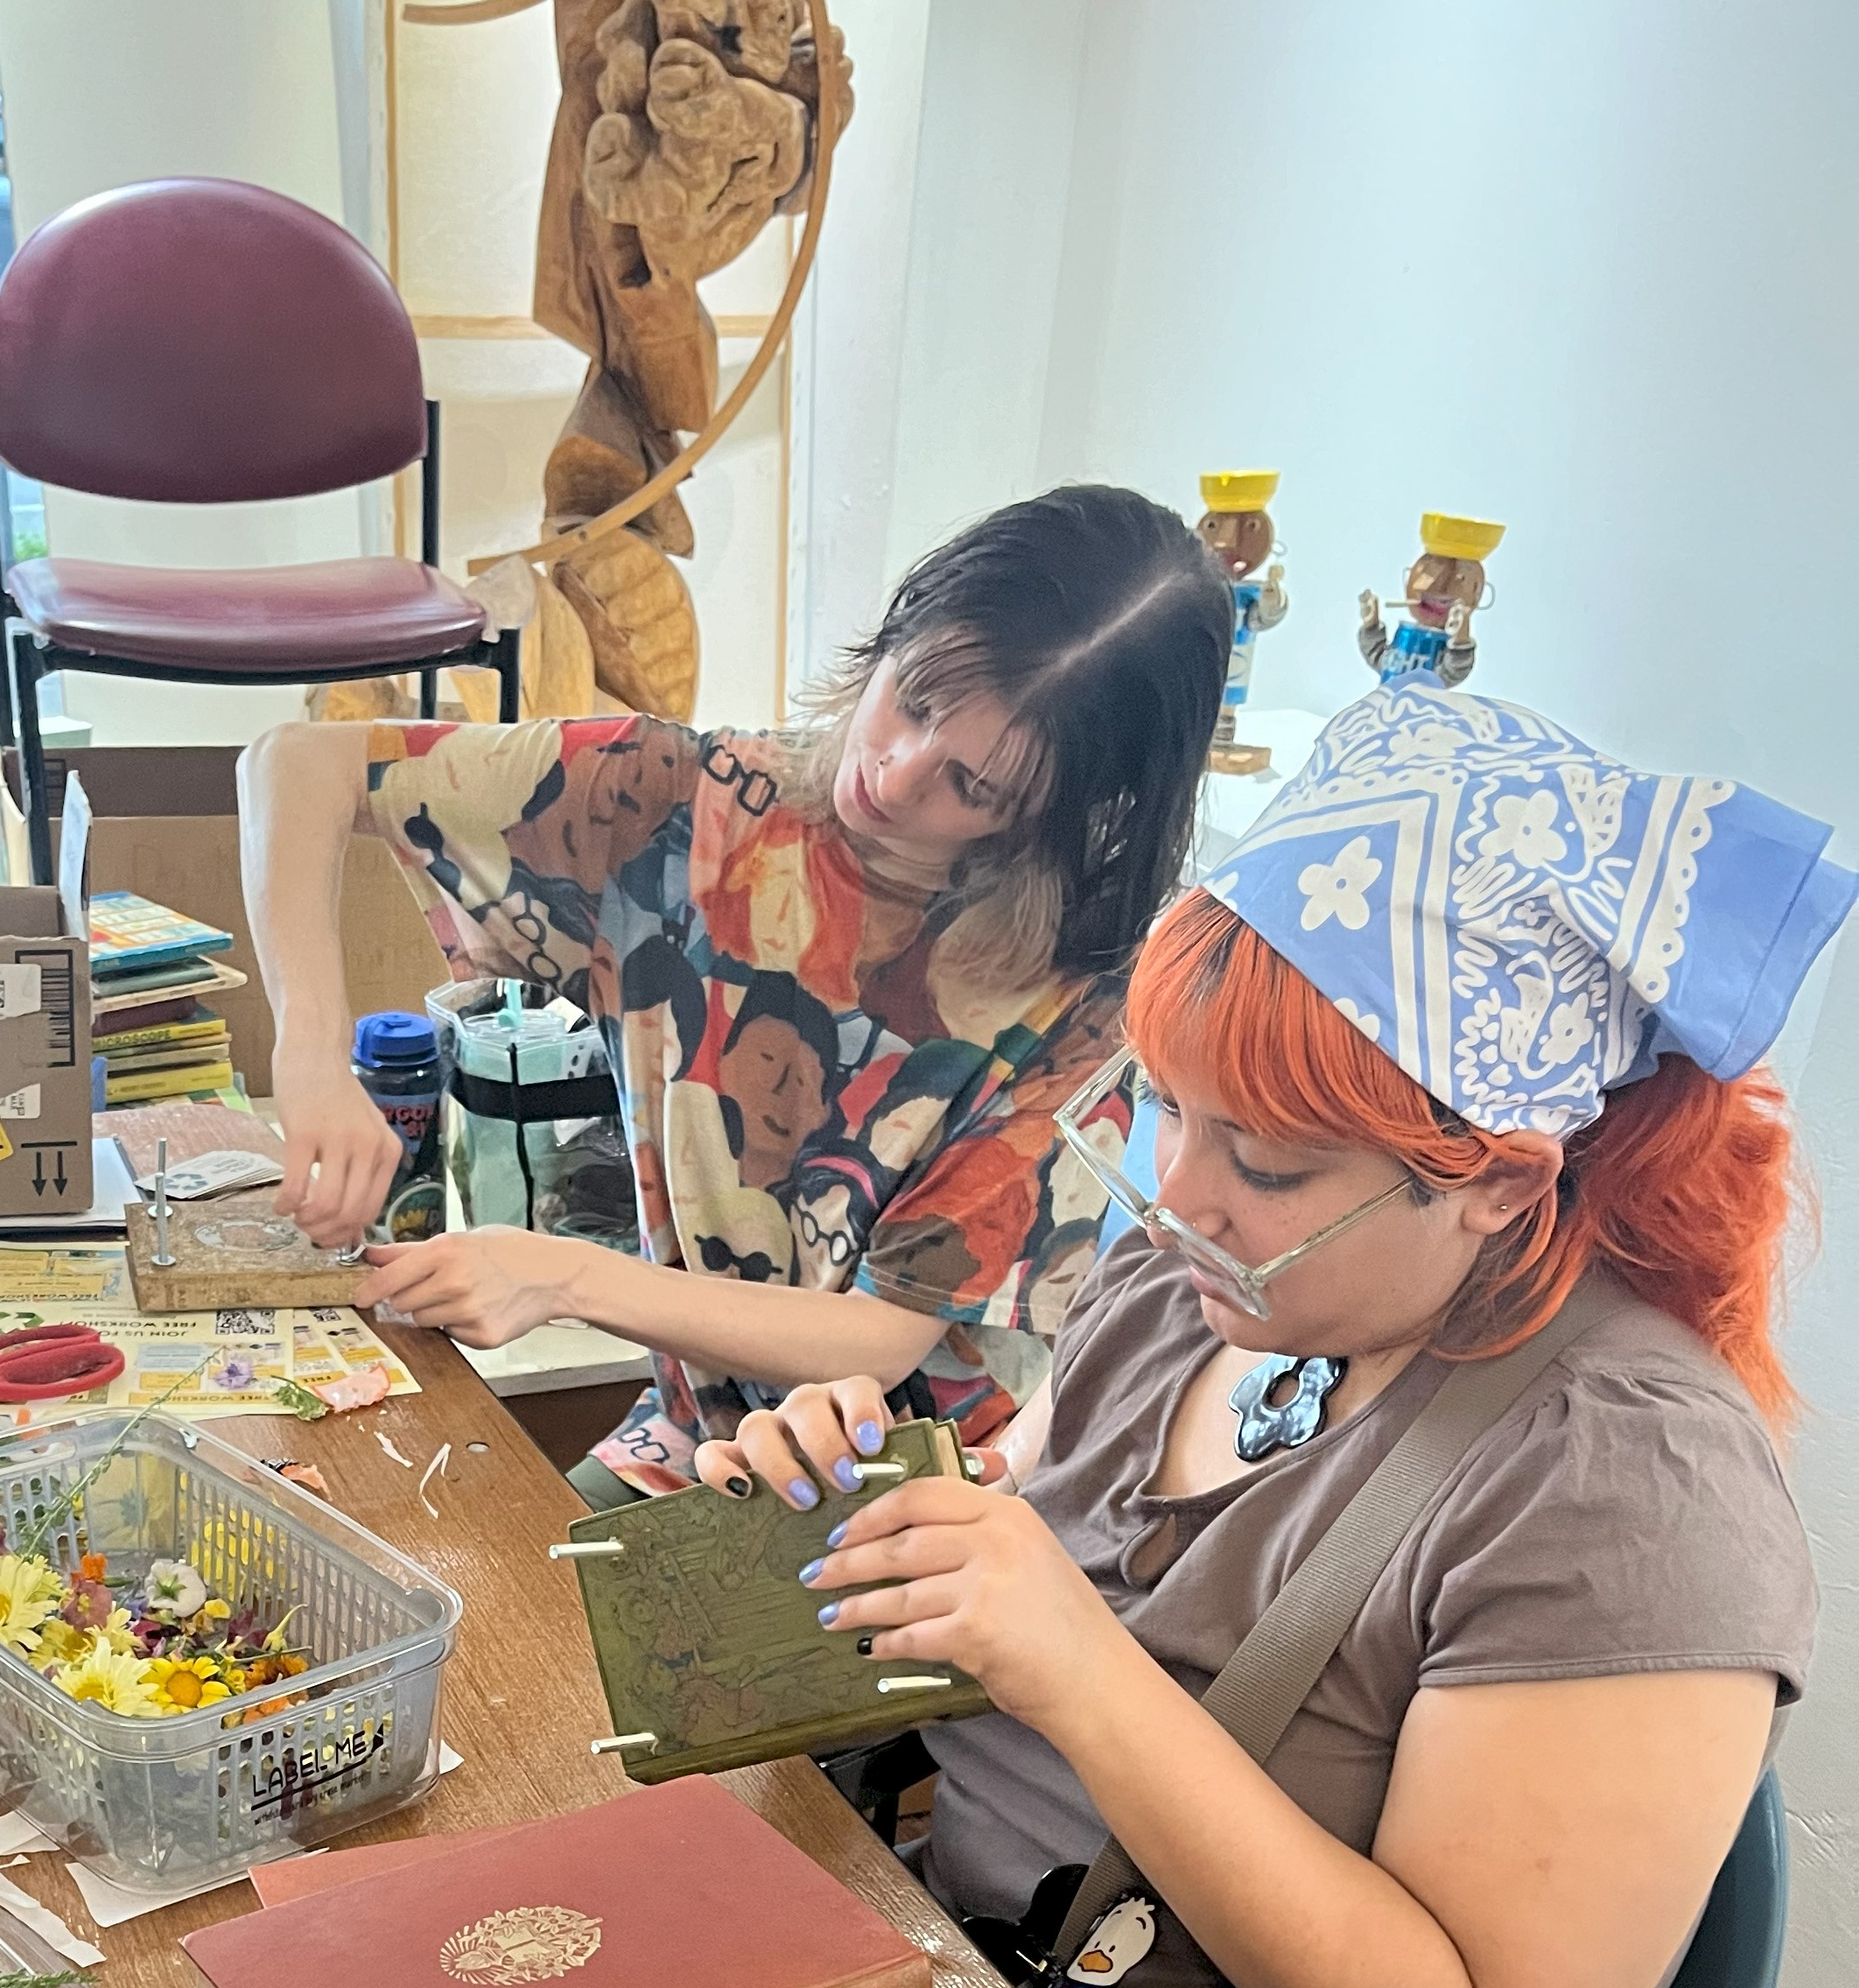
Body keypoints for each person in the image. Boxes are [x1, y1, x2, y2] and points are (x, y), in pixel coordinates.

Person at [698, 681, 1848, 1988]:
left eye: (1269, 1161)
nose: (1181, 1195)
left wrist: (1079, 1667)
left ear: (1496, 1181)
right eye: (1167, 1111)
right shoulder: (1205, 1292)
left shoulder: (1623, 1481)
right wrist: (844, 1514)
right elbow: (1017, 1559)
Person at [238, 486, 1231, 1504]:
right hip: (694, 1442)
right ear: (900, 629)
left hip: (915, 1488)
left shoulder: (1078, 1001)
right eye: (914, 701)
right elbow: (298, 763)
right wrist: (310, 1050)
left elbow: (881, 1338)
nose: (894, 777)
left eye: (973, 787)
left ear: (1065, 814)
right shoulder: (678, 802)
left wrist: (558, 1275)